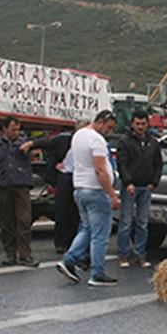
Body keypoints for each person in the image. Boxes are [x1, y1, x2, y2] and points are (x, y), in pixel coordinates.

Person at [56, 110, 120, 286]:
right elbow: (100, 170)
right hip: (96, 190)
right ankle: (97, 273)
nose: (109, 132)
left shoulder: (79, 135)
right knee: (100, 234)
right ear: (100, 122)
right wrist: (112, 194)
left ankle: (69, 259)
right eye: (108, 127)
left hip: (80, 189)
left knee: (86, 229)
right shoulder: (96, 140)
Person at [0, 116, 40, 267]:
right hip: (3, 187)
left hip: (21, 186)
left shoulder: (24, 143)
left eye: (18, 129)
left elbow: (40, 145)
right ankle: (10, 254)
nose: (16, 132)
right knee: (7, 221)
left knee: (24, 221)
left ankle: (25, 255)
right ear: (5, 129)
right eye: (13, 129)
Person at [116, 110, 162, 268]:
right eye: (137, 124)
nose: (140, 127)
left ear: (147, 124)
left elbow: (158, 165)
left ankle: (140, 255)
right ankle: (123, 255)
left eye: (143, 124)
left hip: (146, 187)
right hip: (130, 187)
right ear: (132, 124)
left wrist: (154, 182)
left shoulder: (153, 142)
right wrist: (127, 182)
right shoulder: (124, 141)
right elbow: (122, 164)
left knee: (143, 223)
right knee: (126, 222)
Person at [30, 123, 81, 253]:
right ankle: (61, 243)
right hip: (64, 177)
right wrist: (54, 165)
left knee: (75, 213)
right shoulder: (63, 140)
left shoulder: (88, 142)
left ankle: (73, 242)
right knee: (62, 210)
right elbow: (47, 145)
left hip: (80, 178)